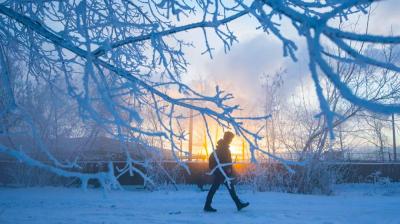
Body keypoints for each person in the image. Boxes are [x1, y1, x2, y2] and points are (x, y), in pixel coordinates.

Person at [204, 131, 250, 212]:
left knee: (219, 189)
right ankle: (238, 204)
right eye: (230, 139)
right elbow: (221, 161)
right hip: (222, 173)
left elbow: (225, 161)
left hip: (223, 173)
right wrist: (222, 170)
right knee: (226, 188)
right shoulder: (223, 148)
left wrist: (227, 169)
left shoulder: (223, 147)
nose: (231, 140)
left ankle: (207, 205)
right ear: (227, 138)